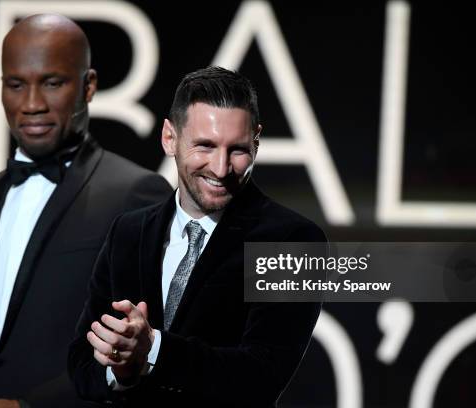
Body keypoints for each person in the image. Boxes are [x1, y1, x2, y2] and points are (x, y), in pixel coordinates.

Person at [0, 14, 171, 408]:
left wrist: (24, 407)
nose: (31, 104)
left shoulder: (137, 194)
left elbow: (138, 354)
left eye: (52, 83)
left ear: (89, 86)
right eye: (16, 85)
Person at [69, 66, 326, 408]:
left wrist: (154, 349)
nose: (221, 168)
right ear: (169, 138)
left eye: (238, 149)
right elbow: (82, 364)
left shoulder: (295, 241)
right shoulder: (128, 233)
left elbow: (261, 376)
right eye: (205, 146)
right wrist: (123, 370)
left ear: (257, 140)